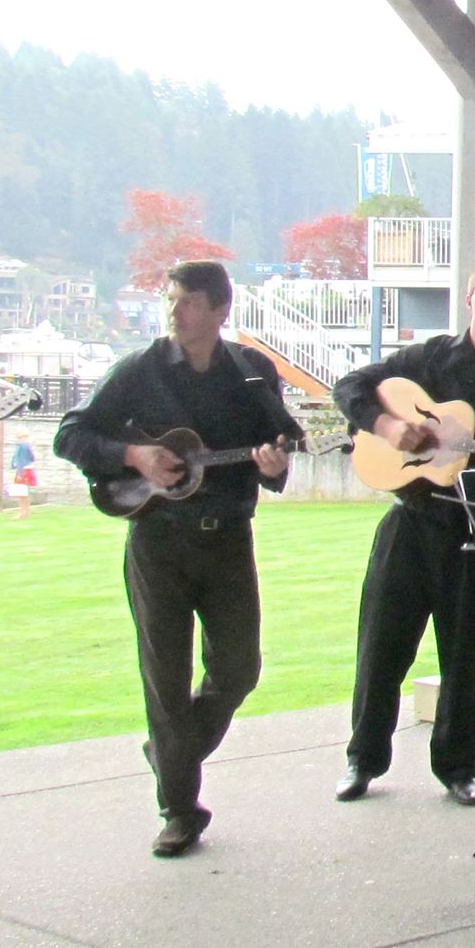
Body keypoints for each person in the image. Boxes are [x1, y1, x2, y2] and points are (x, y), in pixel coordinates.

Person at [54, 259, 303, 857]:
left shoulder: (252, 372)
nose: (175, 311)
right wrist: (135, 456)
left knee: (239, 668)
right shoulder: (138, 371)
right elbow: (71, 434)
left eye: (189, 301)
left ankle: (170, 751)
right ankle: (180, 810)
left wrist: (275, 464)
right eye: (170, 299)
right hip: (157, 541)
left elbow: (279, 444)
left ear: (220, 310)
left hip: (228, 539)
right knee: (165, 679)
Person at [331, 261, 475, 806]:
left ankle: (458, 766)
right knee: (381, 647)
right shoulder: (430, 358)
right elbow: (350, 386)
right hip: (412, 520)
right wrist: (390, 426)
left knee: (466, 657)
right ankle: (363, 760)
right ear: (469, 300)